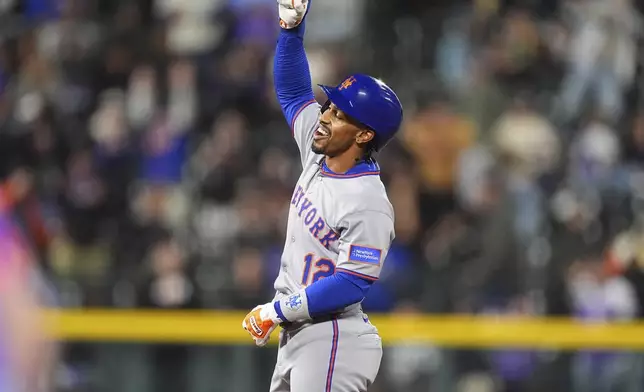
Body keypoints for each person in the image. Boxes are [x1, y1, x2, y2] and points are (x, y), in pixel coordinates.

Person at [241, 1, 404, 391]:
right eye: (330, 106)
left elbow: (351, 283)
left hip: (333, 338)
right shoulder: (319, 156)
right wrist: (290, 29)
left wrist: (276, 310)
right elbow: (294, 92)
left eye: (339, 114)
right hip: (301, 334)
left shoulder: (368, 201)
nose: (325, 116)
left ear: (365, 135)